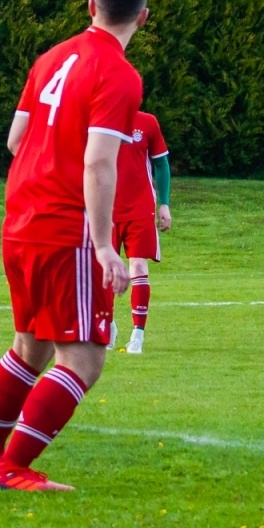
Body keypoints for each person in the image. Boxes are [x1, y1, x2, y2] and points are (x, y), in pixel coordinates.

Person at [0, 0, 147, 493]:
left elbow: (15, 140)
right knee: (84, 359)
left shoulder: (51, 58)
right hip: (64, 228)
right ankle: (12, 468)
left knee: (31, 348)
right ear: (142, 16)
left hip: (21, 221)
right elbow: (98, 162)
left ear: (91, 6)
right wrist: (102, 243)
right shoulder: (118, 74)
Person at [110, 110, 170, 355]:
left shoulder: (147, 122)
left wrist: (164, 203)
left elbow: (161, 164)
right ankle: (108, 327)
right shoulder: (96, 119)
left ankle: (137, 334)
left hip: (140, 208)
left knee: (138, 267)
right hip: (105, 209)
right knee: (105, 271)